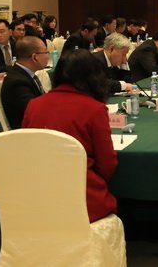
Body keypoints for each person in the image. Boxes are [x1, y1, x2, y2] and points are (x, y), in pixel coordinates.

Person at [22, 49, 118, 223]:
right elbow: (107, 164)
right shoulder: (94, 109)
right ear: (94, 77)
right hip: (82, 199)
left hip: (38, 197)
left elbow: (26, 151)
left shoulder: (33, 105)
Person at [0, 36, 50, 129]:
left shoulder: (24, 75)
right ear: (35, 57)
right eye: (46, 52)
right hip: (27, 133)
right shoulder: (17, 83)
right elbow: (35, 112)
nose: (48, 56)